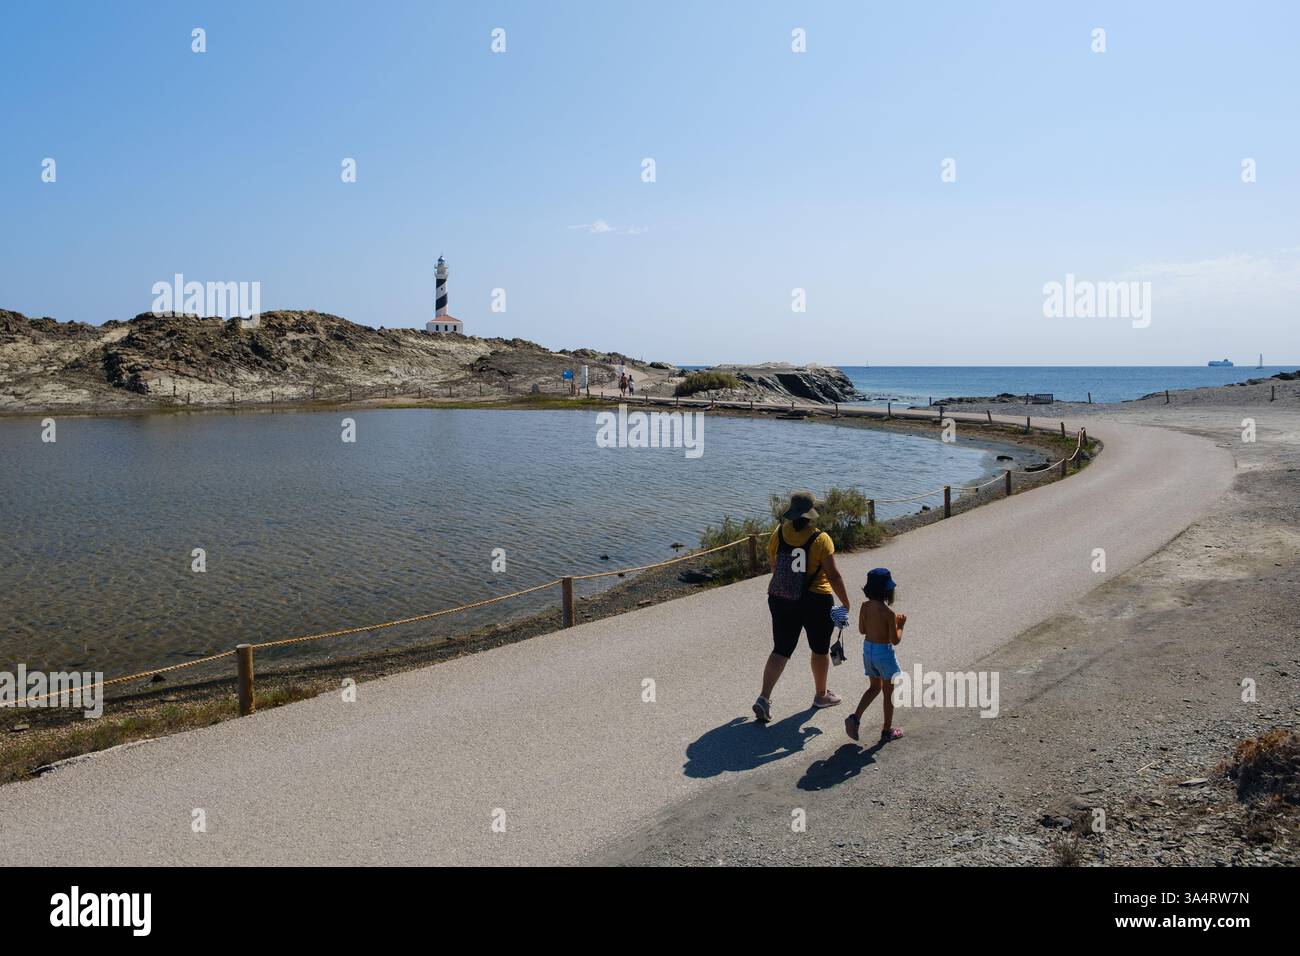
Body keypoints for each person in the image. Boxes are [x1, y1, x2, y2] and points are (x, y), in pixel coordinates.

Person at [753, 492, 851, 722]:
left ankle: (764, 698)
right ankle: (821, 695)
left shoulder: (778, 533)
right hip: (815, 600)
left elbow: (774, 565)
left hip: (781, 598)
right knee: (819, 649)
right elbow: (833, 575)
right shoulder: (821, 539)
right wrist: (846, 602)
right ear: (811, 515)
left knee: (781, 649)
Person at [844, 567, 905, 743]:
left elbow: (862, 630)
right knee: (888, 692)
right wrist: (901, 625)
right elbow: (895, 640)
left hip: (868, 651)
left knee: (874, 687)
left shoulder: (864, 606)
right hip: (883, 653)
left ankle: (854, 718)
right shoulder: (889, 613)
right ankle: (887, 730)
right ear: (888, 591)